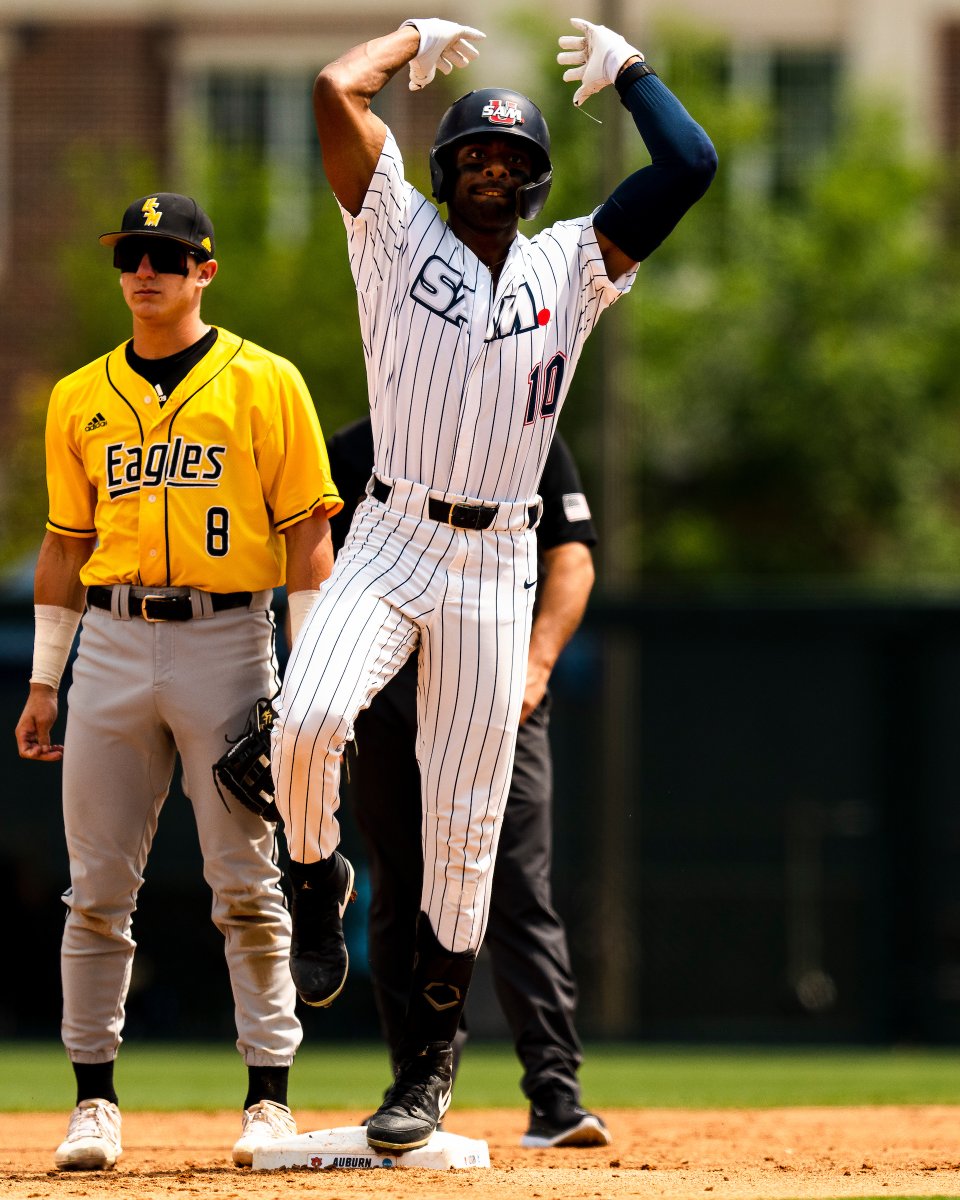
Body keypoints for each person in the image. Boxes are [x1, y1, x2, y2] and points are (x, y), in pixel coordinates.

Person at [271, 15, 716, 1153]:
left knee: (468, 835)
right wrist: (408, 39)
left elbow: (692, 166)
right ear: (442, 166)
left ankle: (427, 1072)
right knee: (309, 716)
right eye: (475, 150)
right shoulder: (390, 230)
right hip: (390, 534)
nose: (493, 164)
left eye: (514, 158)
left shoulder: (576, 263)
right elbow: (331, 90)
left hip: (494, 563)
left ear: (534, 181)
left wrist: (632, 77)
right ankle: (318, 885)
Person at [14, 192, 342, 1172]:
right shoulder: (79, 395)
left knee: (246, 882)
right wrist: (44, 680)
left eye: (167, 255)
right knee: (96, 891)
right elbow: (64, 542)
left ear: (205, 270)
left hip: (228, 638)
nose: (145, 271)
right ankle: (93, 1102)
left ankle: (269, 1101)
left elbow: (307, 535)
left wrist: (310, 677)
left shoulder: (266, 381)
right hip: (110, 642)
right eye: (132, 255)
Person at [329, 416, 609, 1148]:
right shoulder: (360, 448)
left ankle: (556, 1096)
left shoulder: (527, 430)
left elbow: (572, 556)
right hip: (392, 702)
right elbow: (316, 571)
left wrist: (539, 665)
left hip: (497, 690)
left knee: (515, 882)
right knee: (401, 886)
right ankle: (415, 1085)